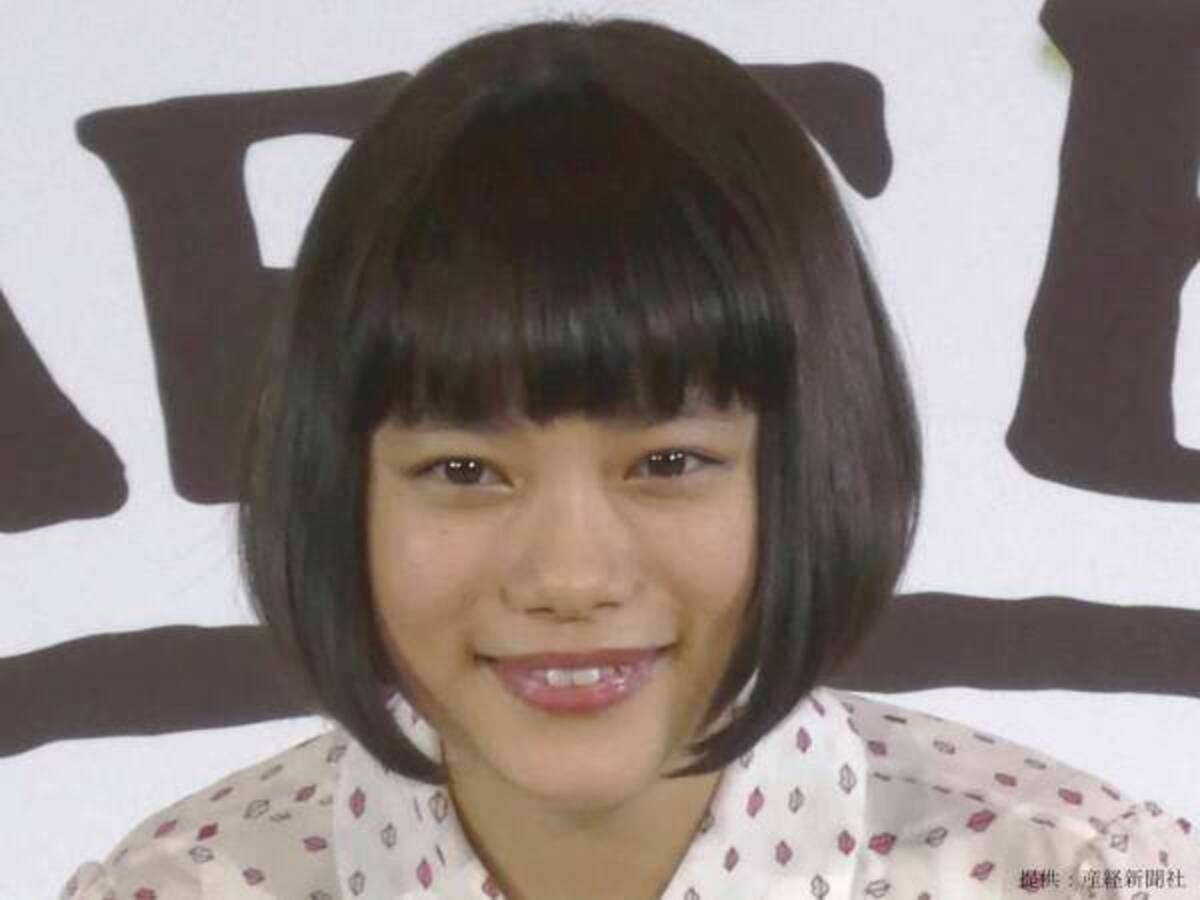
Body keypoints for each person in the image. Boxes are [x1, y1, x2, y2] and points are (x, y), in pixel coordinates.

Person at [61, 16, 1197, 900]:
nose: (569, 578)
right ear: (333, 487)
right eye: (464, 471)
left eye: (668, 463)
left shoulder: (1074, 876)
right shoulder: (182, 888)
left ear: (813, 465)